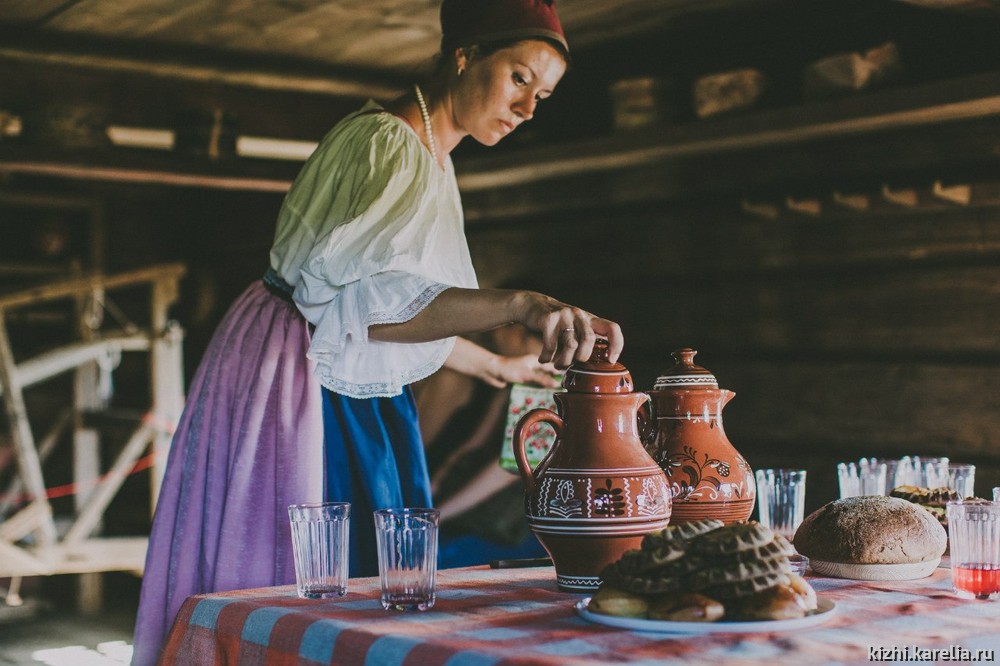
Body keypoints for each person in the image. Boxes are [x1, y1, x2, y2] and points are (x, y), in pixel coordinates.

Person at [131, 0, 623, 663]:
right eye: (518, 79)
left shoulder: (433, 152)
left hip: (339, 362)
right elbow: (367, 310)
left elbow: (397, 301)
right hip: (300, 370)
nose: (528, 108)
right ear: (464, 56)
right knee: (313, 568)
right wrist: (521, 305)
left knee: (376, 566)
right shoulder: (387, 143)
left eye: (543, 95)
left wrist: (494, 367)